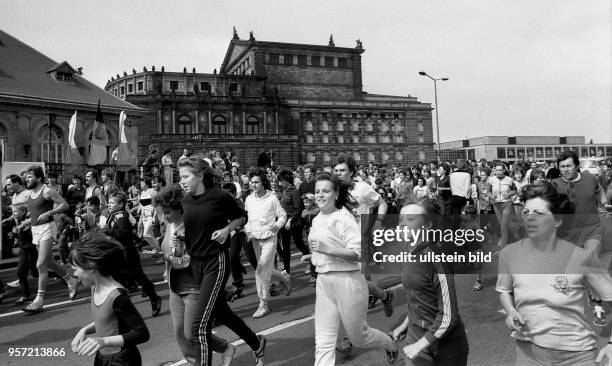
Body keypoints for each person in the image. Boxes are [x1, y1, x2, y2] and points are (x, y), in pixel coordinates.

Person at [496, 181, 612, 366]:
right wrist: (510, 311)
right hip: (527, 354)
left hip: (577, 356)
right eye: (526, 212)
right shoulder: (509, 254)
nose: (530, 219)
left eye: (539, 214)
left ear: (558, 220)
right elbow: (504, 290)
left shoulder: (581, 257)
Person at [178, 156, 265, 366]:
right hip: (195, 264)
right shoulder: (185, 200)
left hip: (216, 261)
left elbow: (241, 217)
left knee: (199, 326)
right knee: (222, 313)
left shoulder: (219, 196)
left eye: (185, 176)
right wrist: (180, 236)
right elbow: (192, 229)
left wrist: (227, 229)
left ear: (199, 176)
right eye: (180, 177)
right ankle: (257, 343)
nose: (182, 181)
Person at [309, 172, 398, 365]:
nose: (320, 195)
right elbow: (321, 249)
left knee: (360, 337)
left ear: (335, 194)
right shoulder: (316, 219)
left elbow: (358, 253)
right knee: (323, 341)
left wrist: (328, 250)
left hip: (348, 281)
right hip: (324, 282)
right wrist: (315, 256)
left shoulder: (343, 217)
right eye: (317, 191)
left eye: (325, 191)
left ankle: (389, 342)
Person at [391, 198, 469, 365]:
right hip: (416, 337)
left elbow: (449, 316)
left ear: (427, 226)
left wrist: (421, 344)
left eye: (411, 219)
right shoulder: (406, 253)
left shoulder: (437, 261)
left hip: (446, 346)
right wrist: (407, 323)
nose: (402, 224)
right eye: (401, 219)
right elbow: (417, 296)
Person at [70, 232, 150, 365]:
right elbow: (108, 321)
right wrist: (84, 330)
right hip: (103, 356)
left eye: (76, 268)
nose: (75, 273)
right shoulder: (94, 288)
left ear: (91, 267)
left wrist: (103, 341)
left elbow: (141, 333)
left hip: (122, 359)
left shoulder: (117, 296)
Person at [552, 150, 609, 326]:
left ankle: (598, 304)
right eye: (562, 167)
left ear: (576, 165)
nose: (565, 170)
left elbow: (600, 193)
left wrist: (605, 204)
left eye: (569, 166)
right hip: (568, 233)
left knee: (591, 262)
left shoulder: (590, 179)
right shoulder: (554, 184)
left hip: (593, 229)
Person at [22, 165, 80, 312]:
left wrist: (50, 212)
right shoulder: (30, 194)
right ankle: (70, 280)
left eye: (29, 177)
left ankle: (39, 300)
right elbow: (36, 213)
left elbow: (64, 205)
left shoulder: (47, 191)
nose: (26, 179)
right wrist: (26, 223)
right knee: (49, 262)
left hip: (47, 228)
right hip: (35, 230)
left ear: (38, 177)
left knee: (40, 264)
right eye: (26, 177)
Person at [154, 185, 198, 364]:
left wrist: (172, 256)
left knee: (190, 333)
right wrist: (166, 260)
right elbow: (168, 253)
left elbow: (190, 261)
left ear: (180, 208)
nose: (164, 216)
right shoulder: (169, 226)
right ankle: (193, 361)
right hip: (175, 286)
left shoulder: (192, 227)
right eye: (162, 212)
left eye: (167, 212)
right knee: (179, 331)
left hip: (193, 286)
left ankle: (219, 350)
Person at [244, 168, 291, 318]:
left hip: (270, 239)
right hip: (255, 241)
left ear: (263, 183)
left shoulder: (271, 198)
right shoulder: (249, 199)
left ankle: (263, 304)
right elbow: (247, 219)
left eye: (256, 182)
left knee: (259, 271)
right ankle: (284, 277)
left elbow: (282, 215)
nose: (253, 185)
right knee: (265, 270)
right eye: (251, 182)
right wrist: (248, 229)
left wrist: (277, 226)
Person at [107, 193, 161, 317]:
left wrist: (108, 232)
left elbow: (123, 232)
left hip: (127, 251)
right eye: (108, 202)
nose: (108, 205)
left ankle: (154, 297)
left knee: (137, 276)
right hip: (118, 252)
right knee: (120, 278)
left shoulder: (121, 215)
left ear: (120, 204)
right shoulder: (114, 215)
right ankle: (122, 310)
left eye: (111, 203)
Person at [487, 163, 516, 248]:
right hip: (496, 204)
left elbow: (514, 190)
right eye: (497, 170)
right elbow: (488, 192)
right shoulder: (491, 180)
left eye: (500, 170)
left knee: (503, 225)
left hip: (507, 203)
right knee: (502, 225)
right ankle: (510, 241)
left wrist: (509, 194)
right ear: (495, 170)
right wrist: (492, 196)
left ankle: (503, 247)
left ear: (504, 170)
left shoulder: (509, 180)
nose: (499, 172)